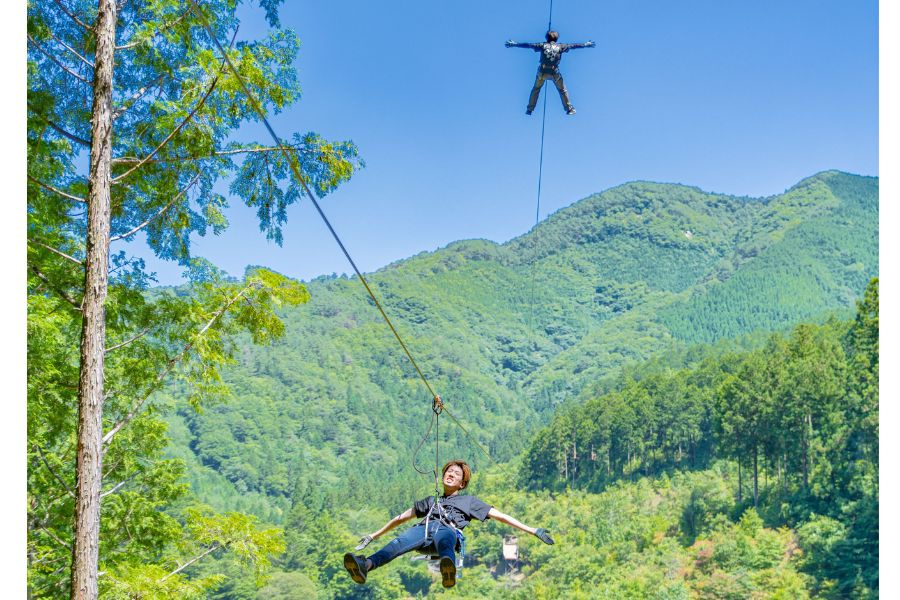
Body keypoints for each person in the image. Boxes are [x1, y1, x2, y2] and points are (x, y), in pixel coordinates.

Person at [343, 459, 555, 588]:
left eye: (456, 474)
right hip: (424, 532)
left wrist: (533, 530)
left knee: (446, 538)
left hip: (447, 533)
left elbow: (502, 516)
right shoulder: (430, 501)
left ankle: (448, 570)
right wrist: (373, 535)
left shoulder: (469, 502)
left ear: (462, 484)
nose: (450, 474)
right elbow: (400, 518)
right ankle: (365, 565)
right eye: (448, 472)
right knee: (398, 543)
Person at [506, 30, 595, 115]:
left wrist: (515, 44)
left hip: (542, 72)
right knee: (562, 90)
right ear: (557, 39)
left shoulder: (542, 45)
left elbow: (528, 45)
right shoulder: (561, 46)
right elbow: (573, 46)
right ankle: (569, 109)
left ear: (547, 38)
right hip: (554, 73)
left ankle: (529, 109)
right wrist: (585, 44)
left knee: (536, 89)